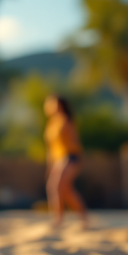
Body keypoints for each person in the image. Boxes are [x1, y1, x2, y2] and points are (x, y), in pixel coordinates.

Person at [43, 95, 88, 227]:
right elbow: (51, 148)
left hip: (70, 156)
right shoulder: (51, 123)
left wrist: (77, 160)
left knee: (57, 186)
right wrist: (50, 165)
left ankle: (58, 220)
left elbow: (75, 142)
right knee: (64, 189)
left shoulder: (66, 121)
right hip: (58, 159)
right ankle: (83, 218)